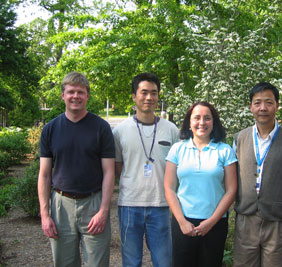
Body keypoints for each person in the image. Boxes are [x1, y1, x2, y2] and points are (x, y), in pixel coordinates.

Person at [38, 72, 115, 266]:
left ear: (87, 95)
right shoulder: (50, 129)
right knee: (64, 263)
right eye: (71, 92)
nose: (76, 96)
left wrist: (103, 211)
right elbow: (45, 174)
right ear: (63, 95)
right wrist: (45, 215)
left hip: (93, 203)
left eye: (81, 92)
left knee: (97, 263)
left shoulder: (101, 128)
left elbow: (109, 172)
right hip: (61, 205)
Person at [233, 82, 282, 267]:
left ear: (277, 106)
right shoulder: (239, 138)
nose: (263, 108)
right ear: (250, 107)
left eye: (268, 102)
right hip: (246, 218)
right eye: (257, 103)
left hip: (277, 220)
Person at [113, 73, 179, 267]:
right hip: (129, 205)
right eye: (144, 92)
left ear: (158, 97)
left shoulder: (171, 130)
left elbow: (177, 167)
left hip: (161, 205)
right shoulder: (119, 131)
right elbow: (118, 167)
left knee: (164, 262)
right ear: (134, 96)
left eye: (154, 93)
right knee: (131, 262)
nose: (149, 97)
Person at [164, 101, 238, 267]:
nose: (202, 122)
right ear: (189, 123)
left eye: (207, 118)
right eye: (196, 118)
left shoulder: (225, 150)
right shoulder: (177, 149)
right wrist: (182, 221)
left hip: (215, 223)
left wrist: (211, 222)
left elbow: (231, 190)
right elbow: (169, 188)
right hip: (183, 223)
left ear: (214, 122)